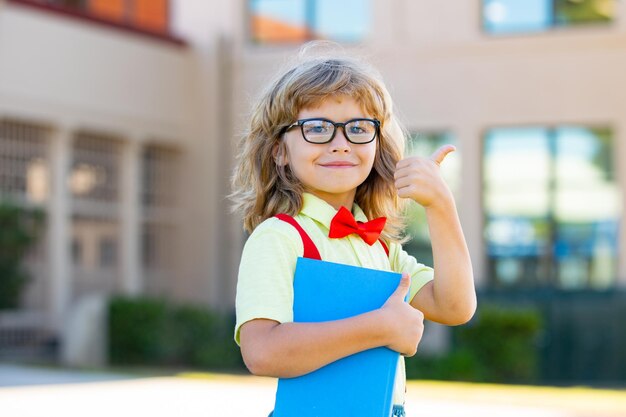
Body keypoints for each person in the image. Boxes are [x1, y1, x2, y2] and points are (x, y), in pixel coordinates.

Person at [230, 42, 476, 416]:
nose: (341, 144)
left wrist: (441, 205)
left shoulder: (378, 245)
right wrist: (380, 328)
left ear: (377, 143)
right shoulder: (280, 237)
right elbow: (262, 351)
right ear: (279, 150)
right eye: (317, 128)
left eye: (358, 128)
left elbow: (455, 306)